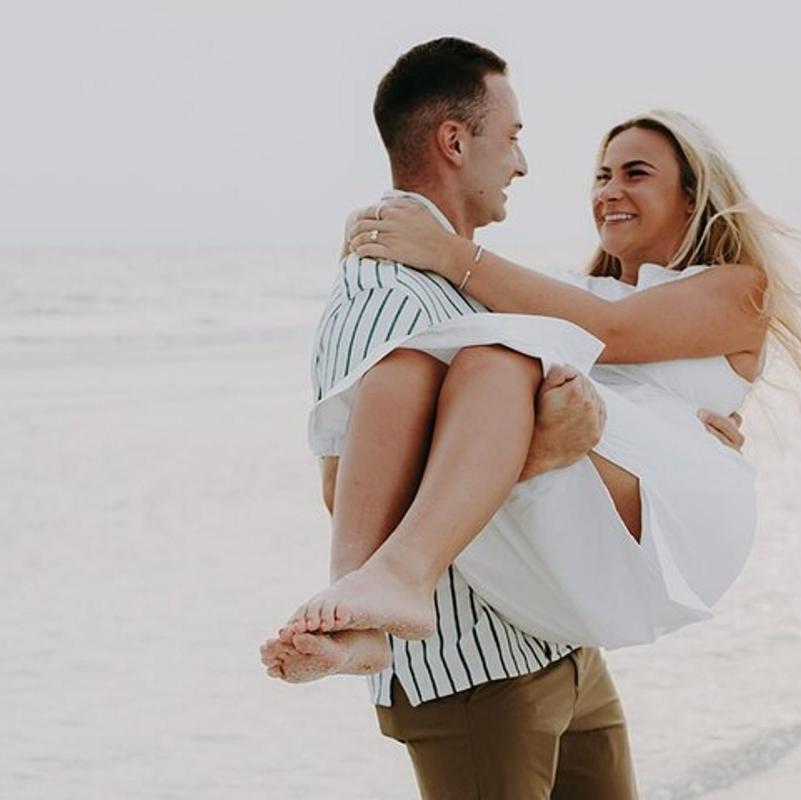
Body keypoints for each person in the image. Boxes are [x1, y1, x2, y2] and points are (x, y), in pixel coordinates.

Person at [259, 37, 756, 799]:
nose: (526, 165)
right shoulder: (394, 292)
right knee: (480, 361)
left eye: (635, 173)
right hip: (472, 666)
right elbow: (346, 484)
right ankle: (382, 597)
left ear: (693, 195)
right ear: (456, 142)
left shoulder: (492, 290)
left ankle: (389, 588)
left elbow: (613, 341)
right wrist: (541, 452)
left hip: (557, 641)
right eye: (515, 138)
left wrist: (675, 433)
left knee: (496, 357)